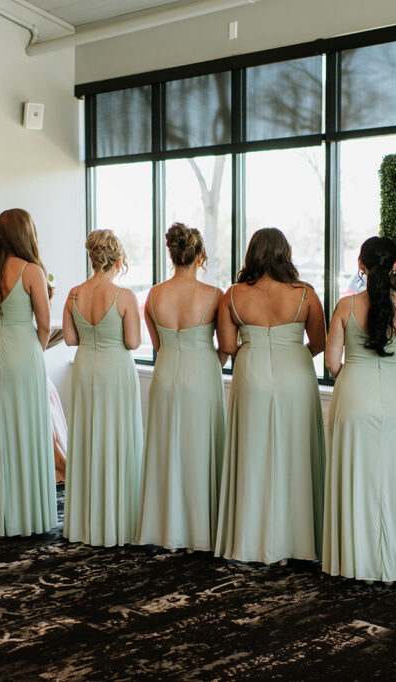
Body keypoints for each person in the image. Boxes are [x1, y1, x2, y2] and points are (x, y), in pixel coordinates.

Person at [214, 227, 326, 565]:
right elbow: (320, 342)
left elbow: (228, 346)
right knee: (296, 449)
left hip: (252, 373)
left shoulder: (232, 295)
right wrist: (289, 351)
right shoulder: (304, 293)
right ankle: (299, 539)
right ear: (284, 253)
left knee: (253, 452)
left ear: (252, 254)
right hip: (295, 372)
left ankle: (251, 539)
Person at [322, 236, 396, 582]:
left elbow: (332, 363)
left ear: (361, 265)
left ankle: (357, 561)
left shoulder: (345, 306)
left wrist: (357, 374)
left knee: (358, 477)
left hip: (354, 395)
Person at [136, 223, 226, 552]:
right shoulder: (214, 296)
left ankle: (166, 528)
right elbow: (226, 345)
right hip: (202, 372)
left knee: (166, 449)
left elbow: (158, 343)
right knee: (200, 449)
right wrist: (210, 360)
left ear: (173, 256)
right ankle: (202, 530)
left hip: (165, 372)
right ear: (200, 257)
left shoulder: (154, 295)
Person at [0, 209, 57, 536]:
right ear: (26, 233)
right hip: (26, 354)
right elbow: (45, 325)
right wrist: (34, 351)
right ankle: (28, 514)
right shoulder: (32, 271)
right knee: (27, 429)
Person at [62, 229, 143, 547]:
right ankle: (118, 522)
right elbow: (133, 342)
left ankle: (86, 520)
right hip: (115, 370)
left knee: (88, 439)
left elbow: (70, 339)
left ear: (93, 258)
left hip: (85, 369)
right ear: (118, 260)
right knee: (116, 440)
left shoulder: (73, 294)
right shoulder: (124, 296)